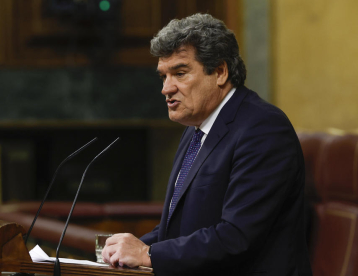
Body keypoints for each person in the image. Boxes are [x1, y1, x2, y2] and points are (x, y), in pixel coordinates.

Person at [102, 13, 312, 276]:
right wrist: (137, 246)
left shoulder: (263, 128)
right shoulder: (196, 128)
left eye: (179, 73)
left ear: (220, 72)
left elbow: (236, 236)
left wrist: (147, 254)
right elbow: (184, 228)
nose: (166, 88)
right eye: (163, 76)